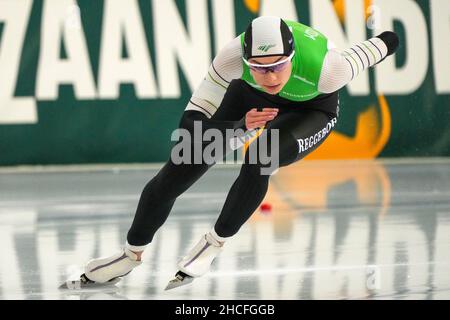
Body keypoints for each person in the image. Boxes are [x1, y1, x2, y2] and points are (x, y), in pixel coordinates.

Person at [62, 16, 399, 289]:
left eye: (278, 66)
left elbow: (376, 48)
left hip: (311, 110)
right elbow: (190, 128)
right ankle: (129, 255)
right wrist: (239, 127)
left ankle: (213, 244)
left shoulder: (329, 69)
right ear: (245, 59)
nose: (269, 76)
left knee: (262, 155)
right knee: (183, 159)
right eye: (258, 67)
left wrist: (390, 37)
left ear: (292, 58)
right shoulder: (229, 58)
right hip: (248, 105)